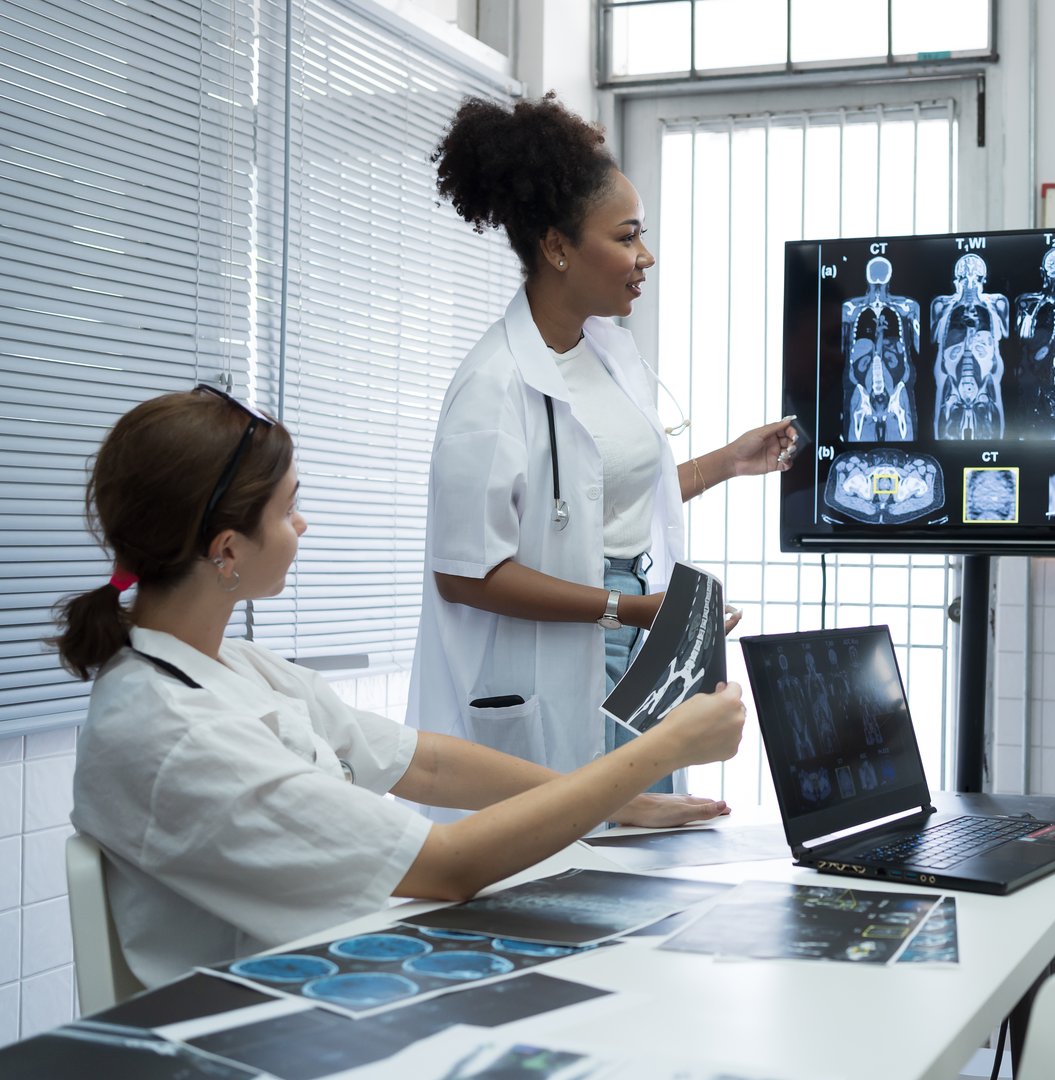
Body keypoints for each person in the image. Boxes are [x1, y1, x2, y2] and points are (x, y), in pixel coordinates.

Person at [57, 388, 746, 989]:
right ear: (227, 549)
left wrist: (620, 801)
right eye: (288, 509)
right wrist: (658, 752)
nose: (303, 526)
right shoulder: (173, 732)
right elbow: (444, 865)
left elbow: (427, 763)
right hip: (284, 1023)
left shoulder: (232, 668)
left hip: (343, 973)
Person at [411, 93, 795, 798]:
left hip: (638, 627)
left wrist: (727, 463)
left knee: (650, 841)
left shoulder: (608, 353)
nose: (643, 257)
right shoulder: (493, 386)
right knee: (583, 853)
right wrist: (627, 608)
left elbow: (598, 500)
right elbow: (464, 574)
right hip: (586, 634)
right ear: (557, 247)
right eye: (625, 237)